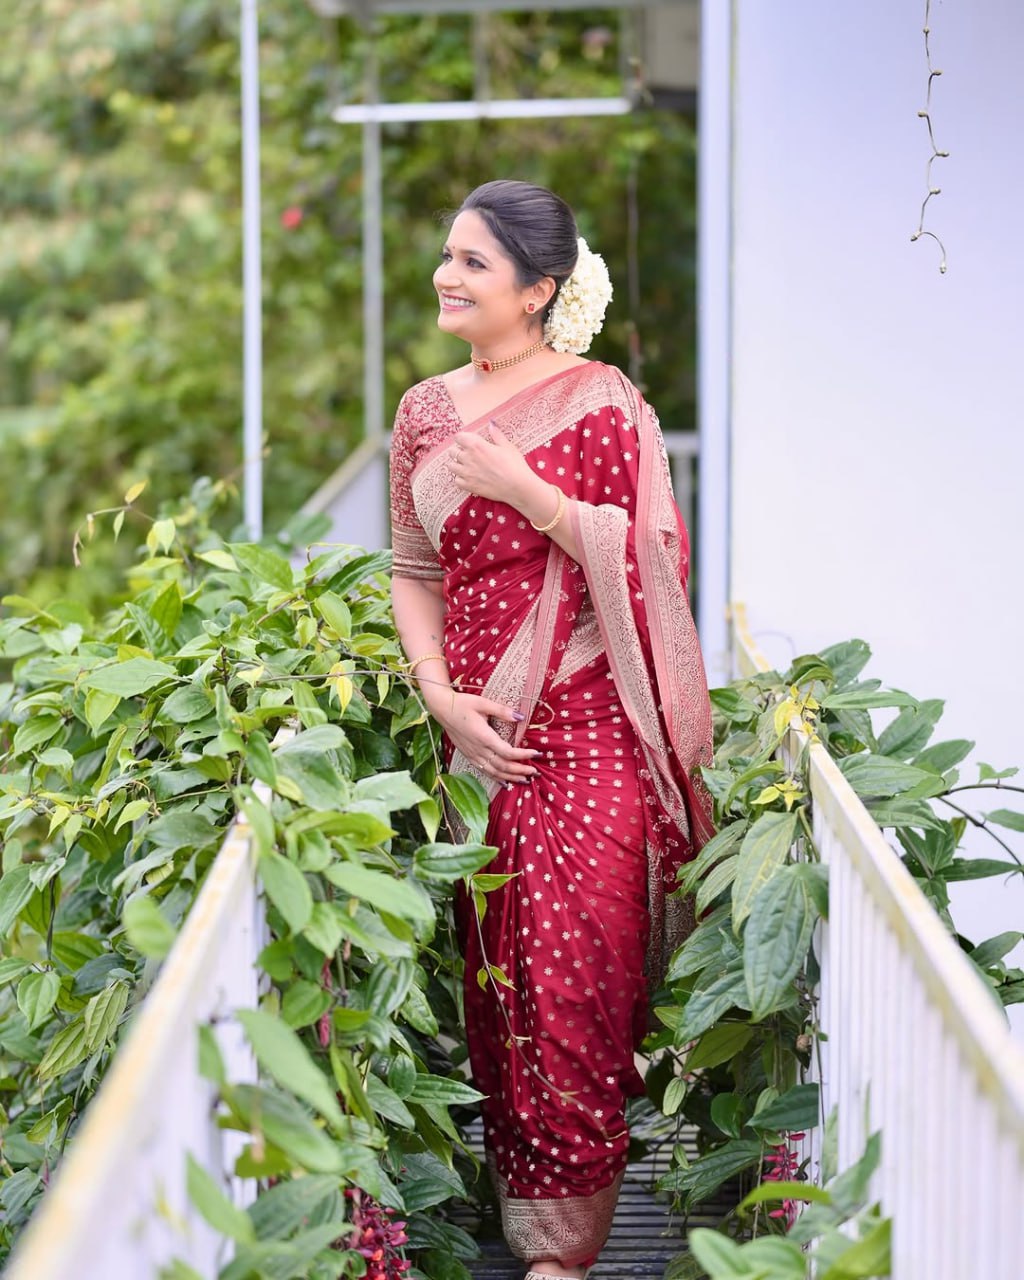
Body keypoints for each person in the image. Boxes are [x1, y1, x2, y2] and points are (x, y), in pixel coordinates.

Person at [389, 180, 714, 1279]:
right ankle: (536, 1233)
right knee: (504, 994)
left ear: (537, 290)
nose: (447, 274)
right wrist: (438, 696)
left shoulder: (601, 400)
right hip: (478, 747)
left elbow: (654, 563)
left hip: (592, 739)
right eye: (448, 254)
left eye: (473, 262)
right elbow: (412, 570)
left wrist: (531, 493)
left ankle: (561, 1260)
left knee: (578, 985)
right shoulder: (423, 412)